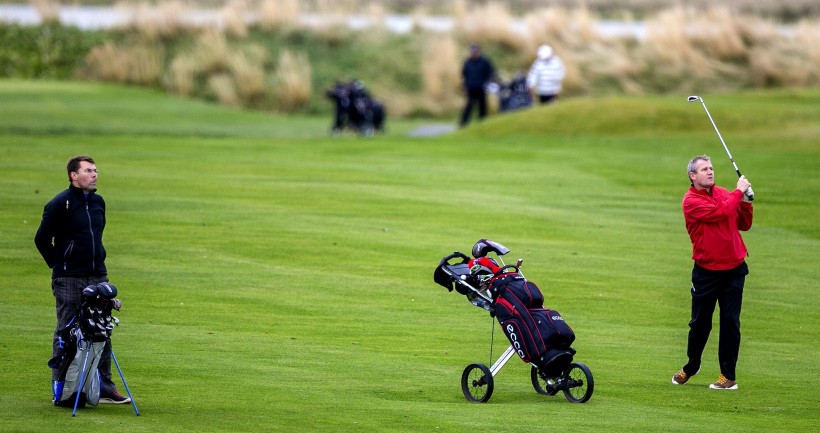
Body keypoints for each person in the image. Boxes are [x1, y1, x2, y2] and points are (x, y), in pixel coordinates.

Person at [35, 155, 131, 404]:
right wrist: (60, 264)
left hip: (97, 274)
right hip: (69, 277)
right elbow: (41, 239)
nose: (94, 174)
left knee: (101, 330)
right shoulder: (60, 203)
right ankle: (64, 390)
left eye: (96, 170)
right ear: (73, 176)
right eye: (88, 170)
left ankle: (105, 388)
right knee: (67, 330)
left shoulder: (99, 202)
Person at [672, 155, 754, 390]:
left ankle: (727, 376)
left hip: (734, 269)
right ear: (692, 176)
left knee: (730, 322)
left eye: (711, 168)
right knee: (700, 323)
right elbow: (722, 213)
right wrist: (739, 193)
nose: (710, 172)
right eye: (704, 169)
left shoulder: (723, 193)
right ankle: (692, 365)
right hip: (706, 271)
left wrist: (747, 203)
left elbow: (743, 224)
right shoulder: (690, 201)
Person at [459, 43, 495, 127]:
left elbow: (490, 73)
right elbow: (464, 75)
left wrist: (488, 82)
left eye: (475, 52)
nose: (473, 53)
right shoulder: (467, 62)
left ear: (478, 51)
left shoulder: (484, 61)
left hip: (482, 87)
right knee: (469, 105)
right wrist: (464, 85)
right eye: (472, 52)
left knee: (482, 105)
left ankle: (482, 122)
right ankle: (463, 122)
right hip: (471, 87)